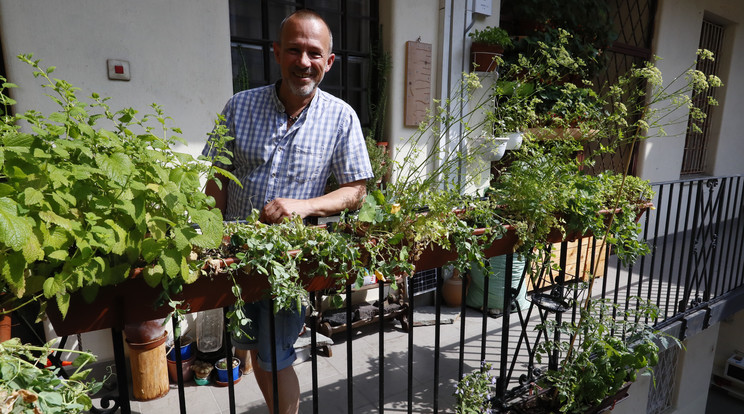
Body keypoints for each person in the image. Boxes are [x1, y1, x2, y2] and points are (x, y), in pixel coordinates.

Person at [202, 9, 373, 414]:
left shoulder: (340, 117)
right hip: (237, 256)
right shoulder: (238, 107)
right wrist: (208, 242)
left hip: (289, 262)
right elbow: (217, 180)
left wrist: (305, 206)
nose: (303, 62)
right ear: (277, 53)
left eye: (314, 53)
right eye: (294, 50)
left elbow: (357, 192)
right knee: (250, 343)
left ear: (329, 62)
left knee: (275, 354)